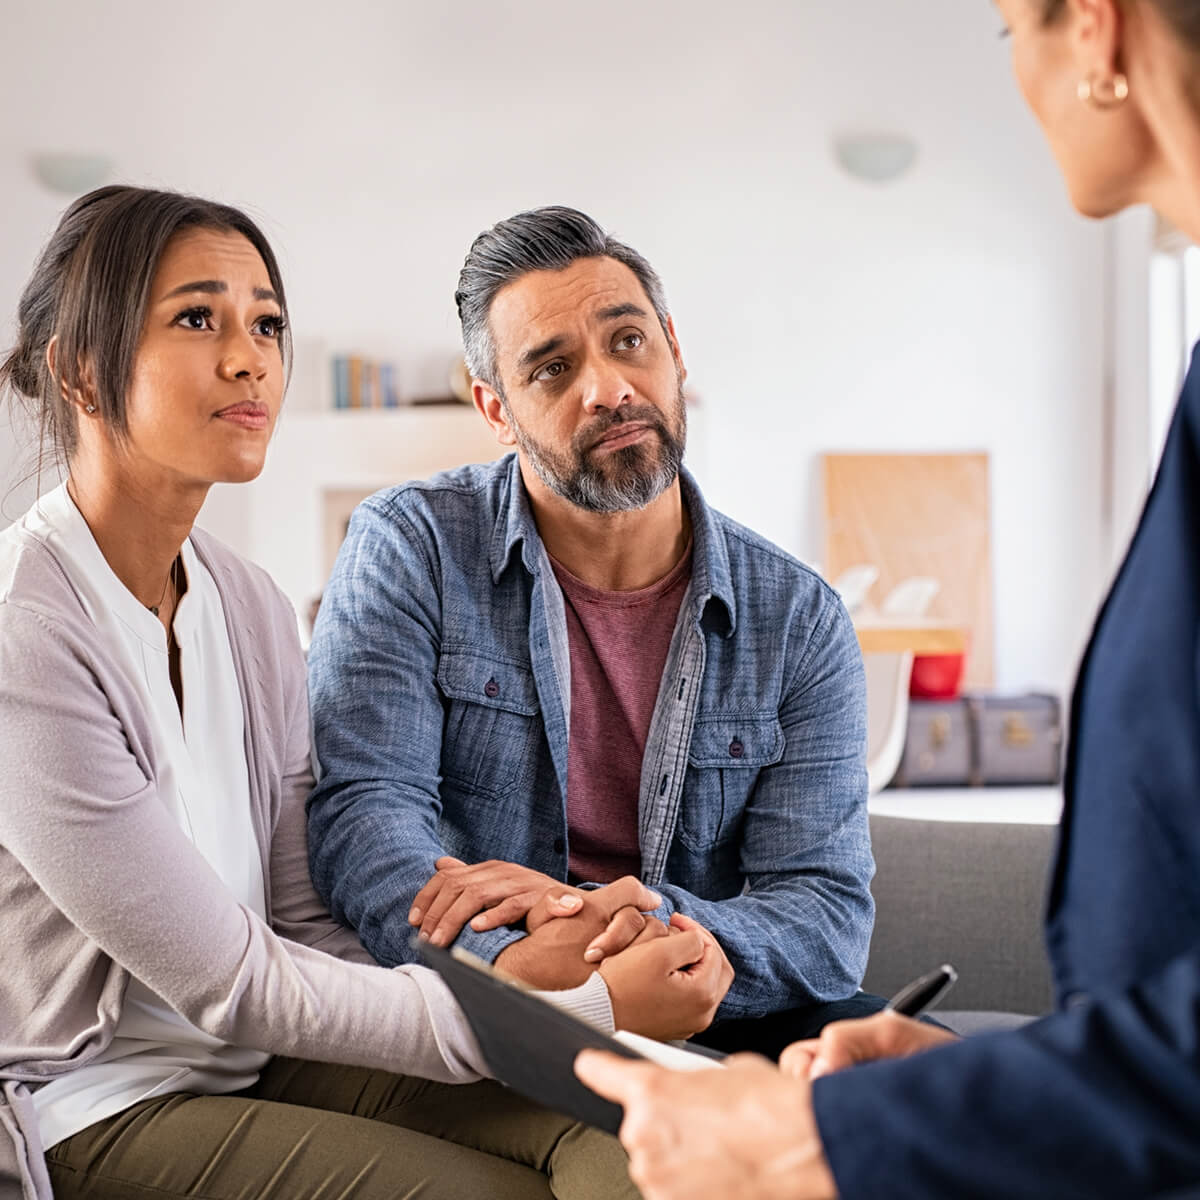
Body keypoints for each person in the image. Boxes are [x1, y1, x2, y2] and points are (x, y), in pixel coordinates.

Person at [575, 0, 1200, 1195]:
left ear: (1098, 34)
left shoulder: (794, 611)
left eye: (1009, 30)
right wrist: (958, 1084)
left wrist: (835, 1136)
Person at [0, 184, 655, 1200]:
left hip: (264, 1059)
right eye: (197, 319)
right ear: (80, 370)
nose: (250, 358)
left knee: (631, 1132)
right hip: (98, 1105)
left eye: (267, 323)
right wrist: (567, 1010)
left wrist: (513, 966)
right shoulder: (24, 631)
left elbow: (302, 920)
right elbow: (228, 981)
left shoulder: (249, 604)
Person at [306, 205, 879, 1057]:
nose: (609, 389)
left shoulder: (799, 618)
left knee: (933, 1078)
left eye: (629, 342)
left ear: (674, 350)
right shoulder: (412, 545)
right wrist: (524, 969)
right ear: (497, 410)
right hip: (501, 999)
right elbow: (367, 818)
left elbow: (823, 912)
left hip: (714, 995)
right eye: (552, 368)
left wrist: (633, 928)